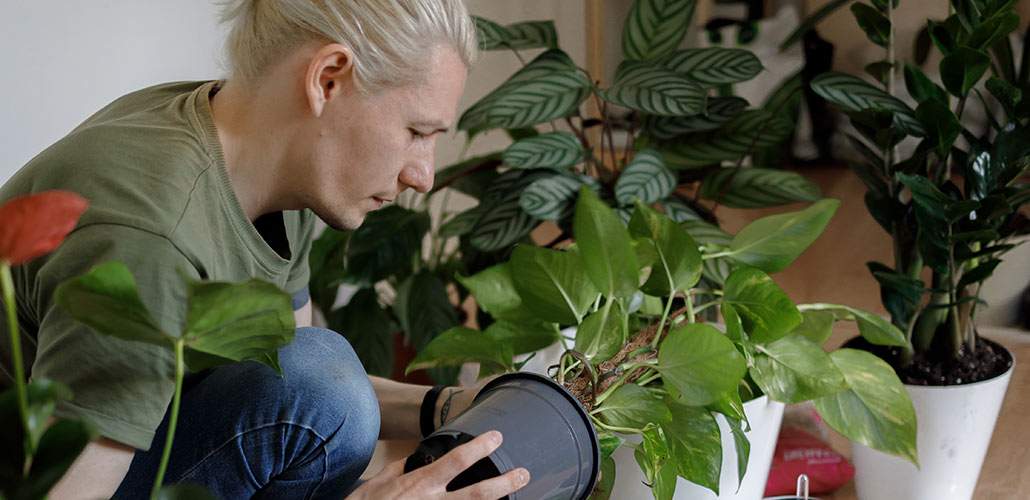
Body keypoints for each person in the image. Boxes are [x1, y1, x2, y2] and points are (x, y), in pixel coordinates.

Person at [0, 0, 529, 498]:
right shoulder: (151, 236)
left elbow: (296, 379)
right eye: (417, 131)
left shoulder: (271, 167)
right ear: (328, 79)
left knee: (324, 383)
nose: (423, 175)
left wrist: (446, 407)